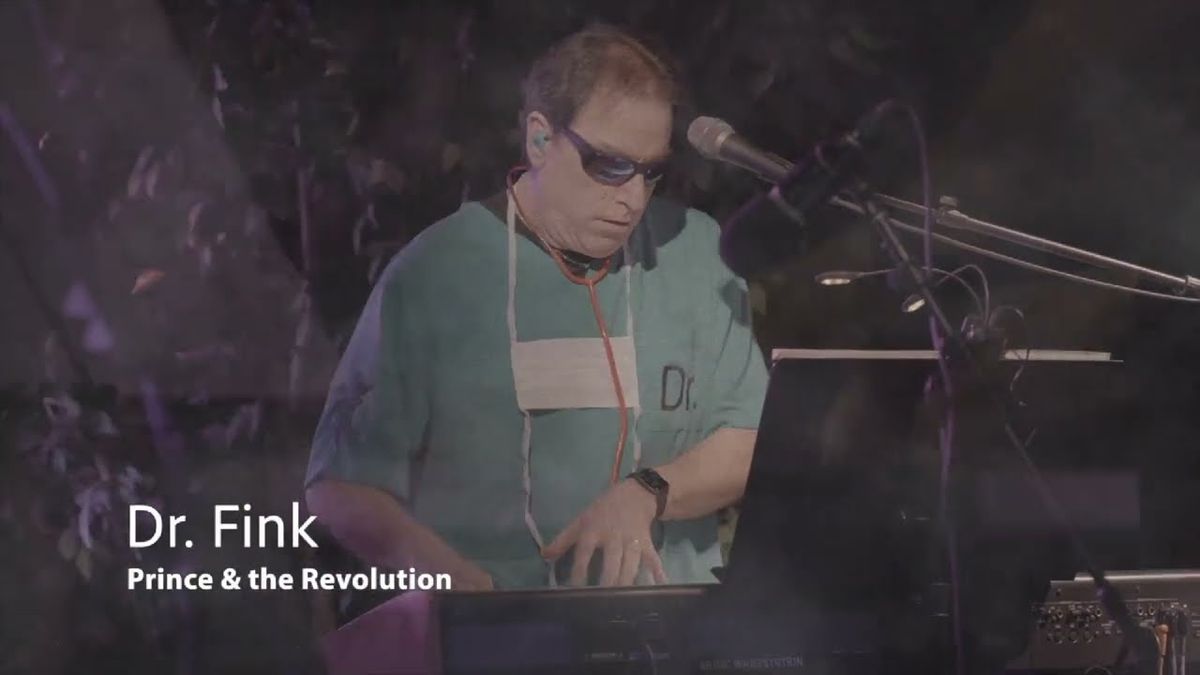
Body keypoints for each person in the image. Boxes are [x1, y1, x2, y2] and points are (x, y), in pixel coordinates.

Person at [304, 23, 768, 591]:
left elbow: (749, 436)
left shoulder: (695, 253)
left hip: (674, 615)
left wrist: (648, 492)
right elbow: (341, 488)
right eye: (609, 165)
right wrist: (466, 594)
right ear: (541, 140)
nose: (632, 199)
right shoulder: (437, 275)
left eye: (651, 173)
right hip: (502, 617)